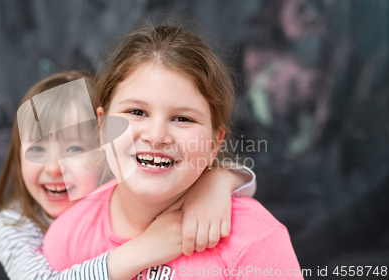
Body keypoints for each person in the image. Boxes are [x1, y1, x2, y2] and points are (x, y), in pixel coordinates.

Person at [43, 24, 303, 279]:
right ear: (102, 128)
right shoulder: (65, 238)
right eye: (136, 112)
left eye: (182, 119)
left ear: (214, 143)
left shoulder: (253, 239)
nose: (156, 137)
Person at [0, 71, 257, 280]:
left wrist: (217, 181)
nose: (53, 167)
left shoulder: (130, 186)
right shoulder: (14, 225)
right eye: (37, 149)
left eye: (73, 149)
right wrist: (145, 249)